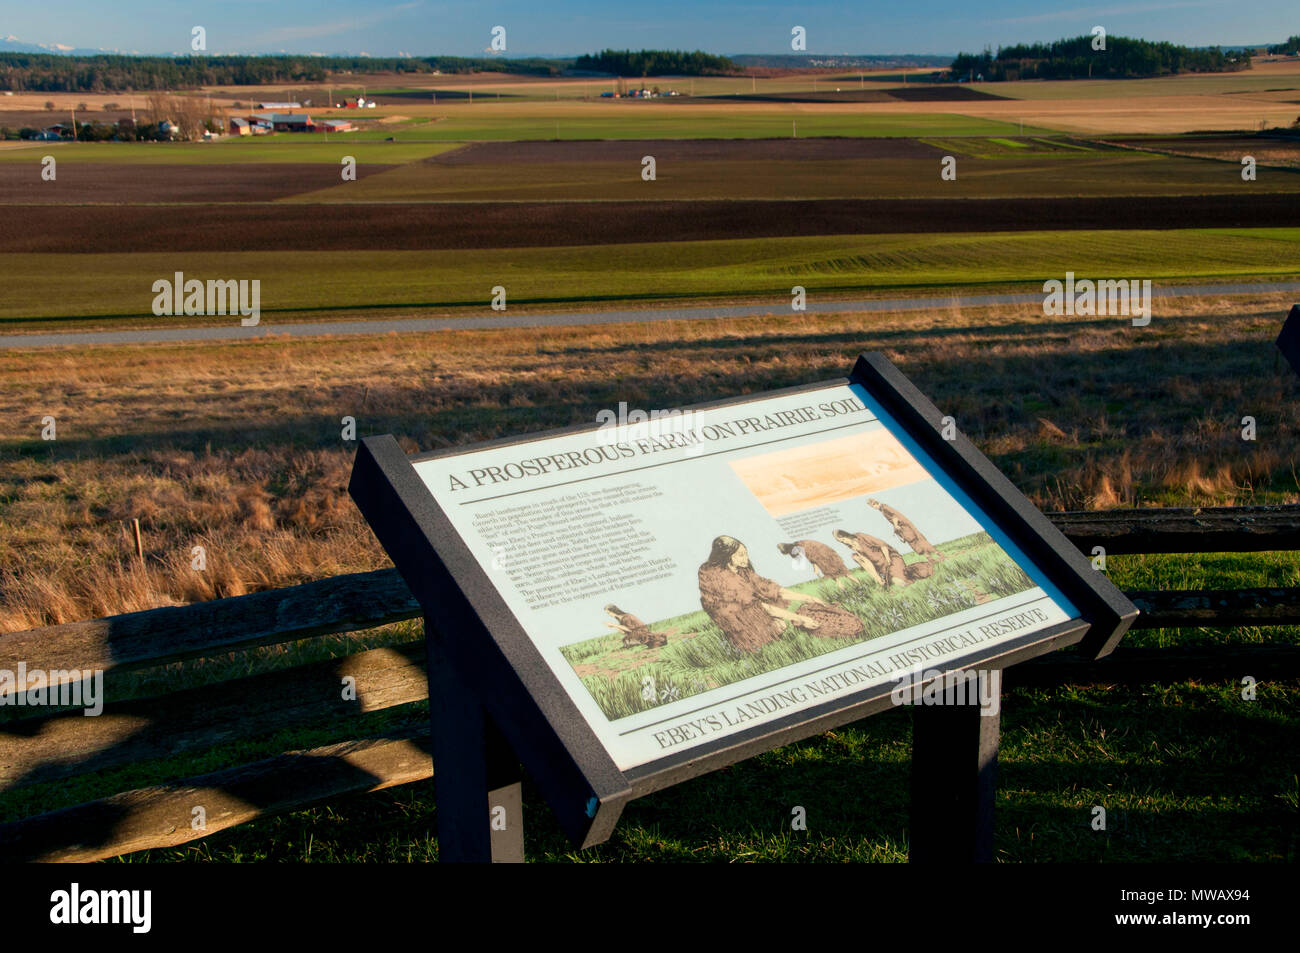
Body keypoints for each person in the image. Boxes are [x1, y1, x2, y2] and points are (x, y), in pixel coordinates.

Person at [698, 536, 863, 652]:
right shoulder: (721, 578)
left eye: (746, 553)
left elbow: (768, 587)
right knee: (778, 627)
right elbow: (758, 606)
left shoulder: (740, 570)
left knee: (780, 624)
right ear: (727, 556)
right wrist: (799, 618)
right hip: (734, 617)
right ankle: (746, 642)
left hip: (748, 608)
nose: (746, 559)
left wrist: (808, 597)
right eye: (741, 555)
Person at [866, 498, 942, 559]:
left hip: (904, 526)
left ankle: (936, 556)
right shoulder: (883, 508)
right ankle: (933, 557)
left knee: (914, 542)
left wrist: (895, 526)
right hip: (904, 526)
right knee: (917, 540)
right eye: (872, 507)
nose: (874, 508)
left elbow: (894, 516)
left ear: (875, 503)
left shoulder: (884, 508)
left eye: (873, 506)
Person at [833, 528, 910, 588]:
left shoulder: (860, 536)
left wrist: (888, 560)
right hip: (880, 567)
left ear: (846, 535)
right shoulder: (853, 547)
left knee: (898, 577)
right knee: (855, 557)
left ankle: (903, 580)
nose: (844, 542)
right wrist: (877, 577)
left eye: (843, 539)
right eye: (841, 542)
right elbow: (867, 563)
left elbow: (882, 545)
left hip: (890, 558)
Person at [776, 540, 853, 590]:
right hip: (824, 553)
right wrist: (815, 567)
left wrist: (815, 567)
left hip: (825, 555)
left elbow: (812, 556)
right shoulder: (799, 544)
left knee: (838, 571)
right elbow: (811, 556)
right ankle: (844, 589)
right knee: (836, 573)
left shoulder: (800, 546)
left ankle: (851, 586)